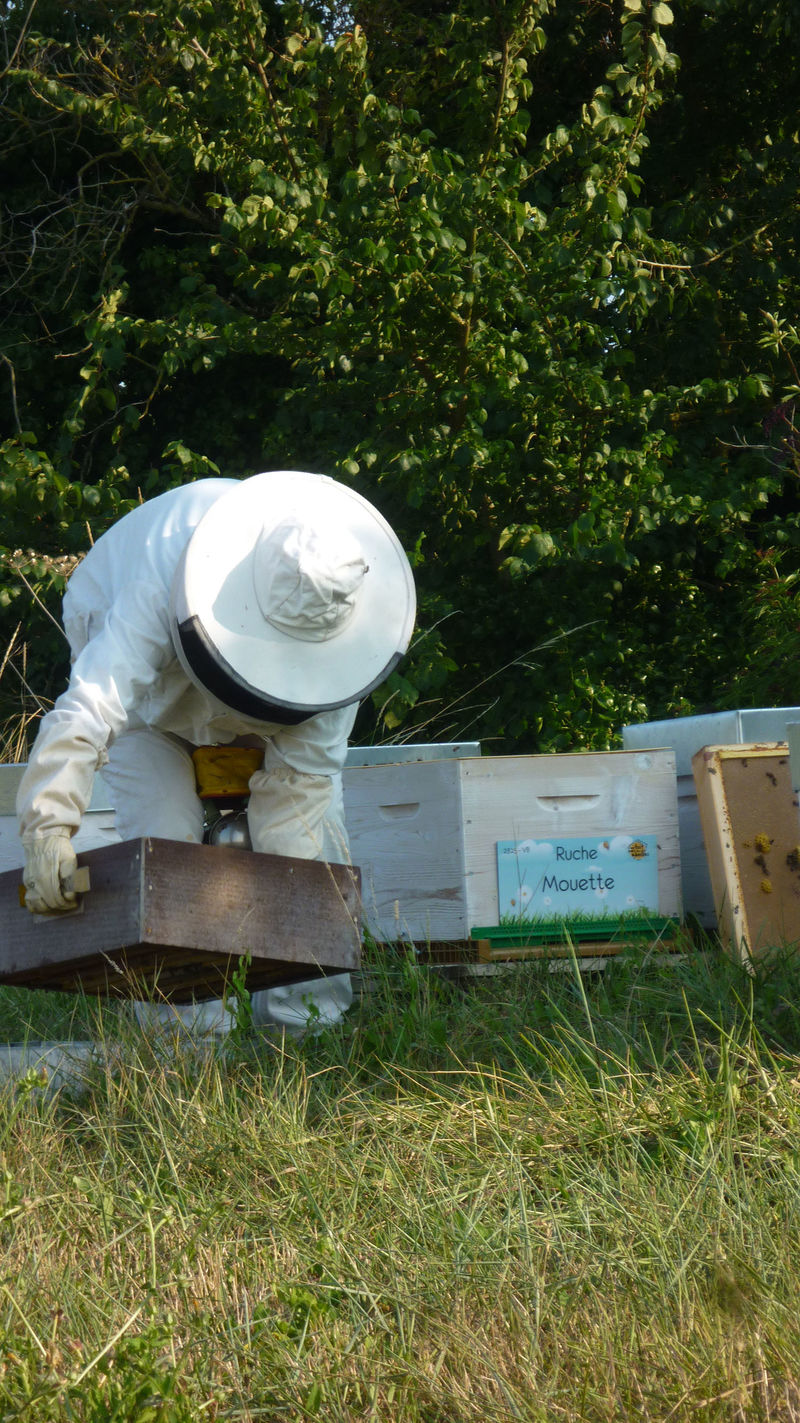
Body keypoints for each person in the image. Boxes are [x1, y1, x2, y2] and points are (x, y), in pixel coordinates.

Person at [16, 469, 416, 1033]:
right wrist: (48, 826)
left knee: (306, 846)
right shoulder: (157, 578)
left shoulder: (354, 642)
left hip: (273, 714)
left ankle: (307, 1033)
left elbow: (300, 792)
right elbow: (92, 707)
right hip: (148, 706)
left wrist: (292, 887)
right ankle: (185, 1050)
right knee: (166, 843)